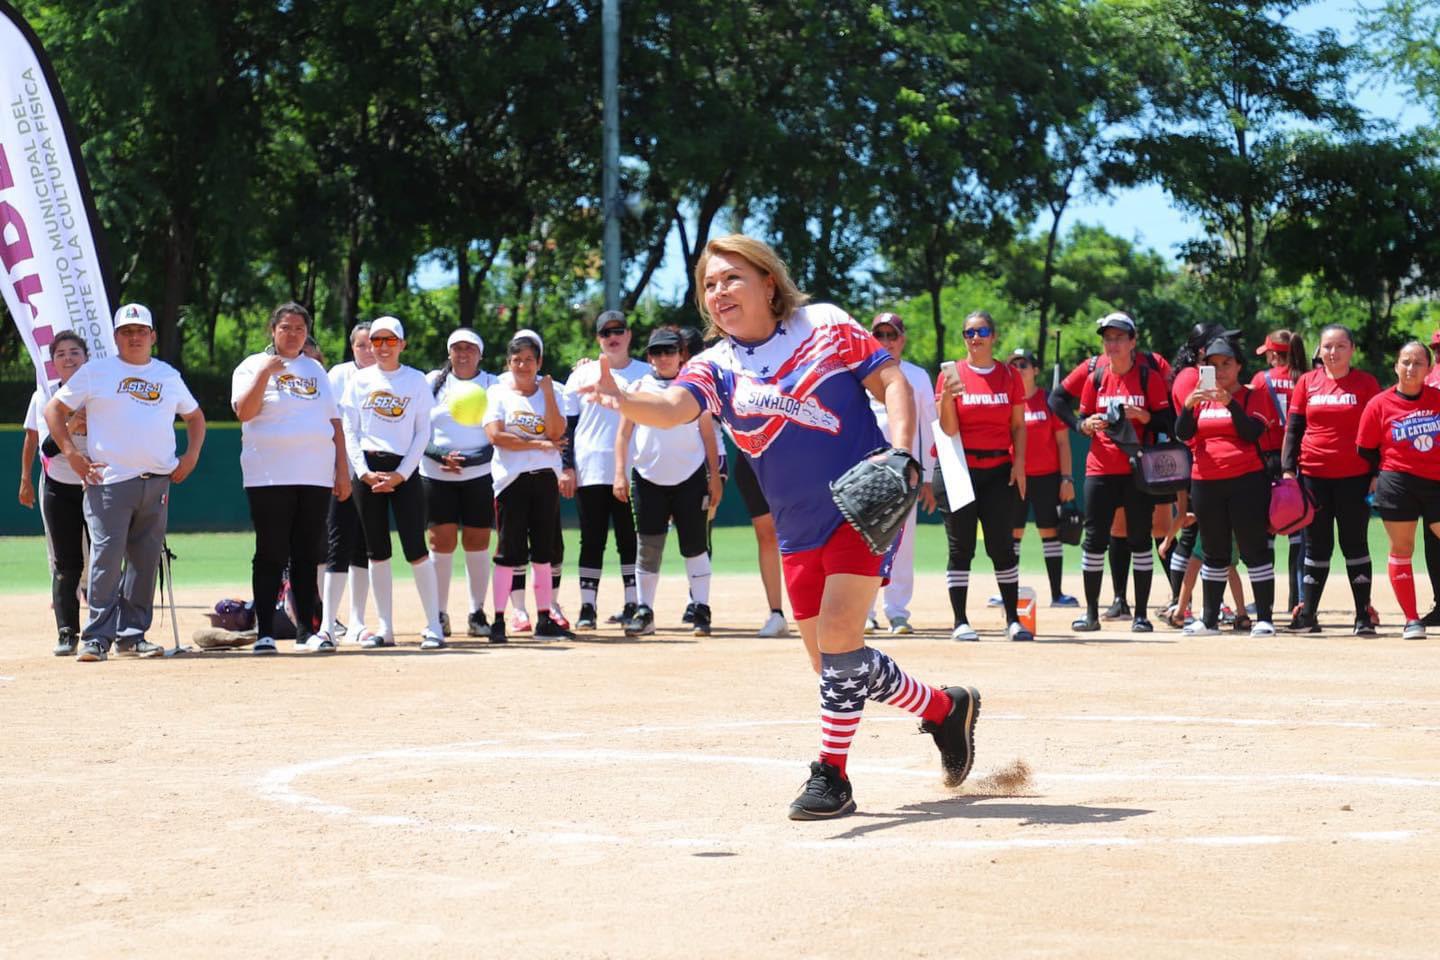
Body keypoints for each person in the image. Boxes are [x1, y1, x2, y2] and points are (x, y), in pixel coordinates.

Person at [577, 234, 980, 821]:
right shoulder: (714, 366)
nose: (719, 292)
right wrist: (620, 397)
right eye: (709, 285)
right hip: (796, 526)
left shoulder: (823, 324)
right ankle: (945, 708)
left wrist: (900, 453)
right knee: (832, 662)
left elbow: (891, 380)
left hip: (860, 505)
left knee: (842, 637)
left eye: (731, 278)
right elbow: (670, 410)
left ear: (768, 281)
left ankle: (832, 777)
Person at [44, 303, 207, 662]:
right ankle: (97, 638)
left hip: (157, 480)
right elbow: (53, 409)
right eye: (126, 331)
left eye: (140, 331)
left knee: (145, 559)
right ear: (116, 337)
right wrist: (71, 453)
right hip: (109, 480)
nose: (134, 337)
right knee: (105, 557)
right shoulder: (96, 371)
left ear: (152, 335)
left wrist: (191, 457)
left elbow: (194, 416)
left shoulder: (167, 375)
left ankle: (132, 635)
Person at [233, 302, 351, 654]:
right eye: (285, 327)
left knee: (306, 552)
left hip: (314, 474)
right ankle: (265, 633)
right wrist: (266, 373)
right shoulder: (252, 365)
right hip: (268, 474)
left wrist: (341, 471)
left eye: (299, 328)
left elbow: (334, 423)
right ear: (273, 330)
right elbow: (244, 411)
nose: (293, 334)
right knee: (271, 551)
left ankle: (306, 631)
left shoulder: (314, 369)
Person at [339, 315, 445, 649]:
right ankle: (385, 628)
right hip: (368, 470)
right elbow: (350, 430)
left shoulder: (414, 381)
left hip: (405, 470)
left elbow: (422, 432)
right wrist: (363, 471)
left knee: (415, 548)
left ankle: (433, 626)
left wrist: (402, 473)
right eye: (377, 340)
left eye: (391, 340)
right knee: (376, 551)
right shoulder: (358, 381)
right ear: (369, 345)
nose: (383, 346)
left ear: (403, 344)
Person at [1050, 334, 1174, 620]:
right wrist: (1082, 425)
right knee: (1096, 540)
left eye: (1119, 337)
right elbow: (1066, 404)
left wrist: (1143, 416)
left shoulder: (1150, 370)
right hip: (1100, 468)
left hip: (1140, 467)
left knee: (1144, 538)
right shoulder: (1095, 373)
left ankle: (1146, 613)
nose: (1112, 343)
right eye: (1107, 338)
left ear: (1133, 340)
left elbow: (1167, 417)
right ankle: (1096, 611)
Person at [612, 328, 723, 636]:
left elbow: (708, 435)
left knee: (695, 546)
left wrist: (714, 477)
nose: (664, 358)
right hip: (648, 478)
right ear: (649, 357)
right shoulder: (637, 387)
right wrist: (619, 473)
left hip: (690, 477)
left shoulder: (692, 388)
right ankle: (645, 611)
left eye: (669, 351)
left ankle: (701, 608)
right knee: (648, 546)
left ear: (680, 355)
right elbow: (623, 434)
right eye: (657, 352)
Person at [935, 310, 1031, 641]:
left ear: (994, 336)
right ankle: (960, 621)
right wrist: (948, 394)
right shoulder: (952, 374)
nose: (975, 338)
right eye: (969, 332)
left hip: (998, 471)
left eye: (982, 331)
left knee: (1002, 546)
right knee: (961, 547)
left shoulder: (1008, 376)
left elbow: (1018, 426)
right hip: (959, 468)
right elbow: (948, 428)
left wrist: (1019, 464)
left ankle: (1013, 620)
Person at [1173, 334, 1276, 636]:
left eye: (1226, 363)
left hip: (1246, 481)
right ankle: (1209, 620)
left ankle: (1266, 619)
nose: (1220, 370)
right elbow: (1182, 434)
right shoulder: (1201, 400)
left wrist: (1230, 403)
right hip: (1206, 481)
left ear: (1239, 366)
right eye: (1213, 365)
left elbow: (1251, 433)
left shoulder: (1253, 394)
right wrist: (1188, 407)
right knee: (1215, 552)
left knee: (1253, 549)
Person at [1283, 324, 1380, 634]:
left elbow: (1381, 433)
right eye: (1327, 347)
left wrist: (1378, 472)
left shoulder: (1366, 384)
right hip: (1313, 476)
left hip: (1355, 477)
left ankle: (1362, 616)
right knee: (1316, 546)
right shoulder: (1307, 383)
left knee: (1355, 544)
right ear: (1319, 351)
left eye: (1340, 346)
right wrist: (1287, 470)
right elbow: (1293, 429)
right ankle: (1309, 614)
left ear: (1352, 349)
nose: (1333, 352)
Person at [483, 332, 574, 642]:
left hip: (545, 479)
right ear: (508, 363)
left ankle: (545, 619)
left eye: (529, 360)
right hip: (512, 481)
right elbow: (496, 436)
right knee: (508, 552)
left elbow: (557, 430)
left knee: (544, 553)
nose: (523, 365)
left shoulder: (552, 392)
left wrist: (547, 392)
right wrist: (539, 443)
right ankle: (498, 620)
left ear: (540, 363)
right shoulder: (498, 393)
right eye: (517, 360)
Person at [563, 310, 648, 629]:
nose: (613, 337)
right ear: (598, 339)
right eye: (605, 333)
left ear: (628, 335)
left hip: (631, 468)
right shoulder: (580, 376)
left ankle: (632, 603)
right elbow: (568, 427)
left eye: (618, 331)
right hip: (590, 467)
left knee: (630, 538)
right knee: (592, 539)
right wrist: (567, 467)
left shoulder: (644, 373)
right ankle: (587, 608)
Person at [1357, 341, 1440, 640]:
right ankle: (1411, 619)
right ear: (1396, 366)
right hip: (1398, 482)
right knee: (1403, 548)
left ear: (1429, 370)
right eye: (1405, 361)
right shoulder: (1379, 404)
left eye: (1418, 363)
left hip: (1436, 482)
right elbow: (1365, 449)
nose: (1411, 367)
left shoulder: (1438, 399)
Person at [422, 328, 501, 639]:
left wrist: (471, 460)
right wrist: (441, 455)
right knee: (440, 543)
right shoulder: (431, 382)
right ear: (449, 352)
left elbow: (499, 431)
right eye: (457, 348)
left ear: (480, 353)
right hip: (435, 473)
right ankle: (438, 613)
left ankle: (476, 612)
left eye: (469, 348)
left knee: (477, 542)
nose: (463, 353)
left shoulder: (493, 384)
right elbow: (417, 429)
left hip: (480, 475)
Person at [863, 312, 937, 634]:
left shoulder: (917, 376)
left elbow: (929, 430)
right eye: (879, 334)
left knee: (901, 544)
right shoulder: (859, 374)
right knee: (863, 542)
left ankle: (897, 611)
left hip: (905, 470)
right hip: (865, 471)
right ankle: (864, 611)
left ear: (902, 339)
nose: (886, 341)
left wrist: (929, 477)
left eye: (891, 335)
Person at [20, 330, 90, 655]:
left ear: (86, 358)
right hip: (60, 487)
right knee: (66, 562)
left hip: (99, 486)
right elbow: (46, 448)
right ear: (53, 363)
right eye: (61, 354)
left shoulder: (101, 396)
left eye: (74, 352)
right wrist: (73, 423)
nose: (68, 358)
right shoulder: (47, 398)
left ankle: (107, 629)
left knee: (105, 560)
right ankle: (67, 633)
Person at [323, 321, 376, 643]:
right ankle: (327, 621)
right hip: (343, 470)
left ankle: (357, 620)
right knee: (337, 544)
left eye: (373, 343)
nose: (369, 350)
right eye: (362, 345)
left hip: (375, 473)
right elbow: (330, 422)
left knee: (364, 547)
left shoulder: (392, 378)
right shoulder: (338, 375)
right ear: (352, 347)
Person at [1252, 330, 1303, 617]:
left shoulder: (1262, 380)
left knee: (1267, 535)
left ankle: (1265, 603)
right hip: (1298, 463)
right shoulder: (1303, 378)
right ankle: (1298, 601)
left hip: (1269, 460)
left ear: (1274, 354)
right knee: (1298, 535)